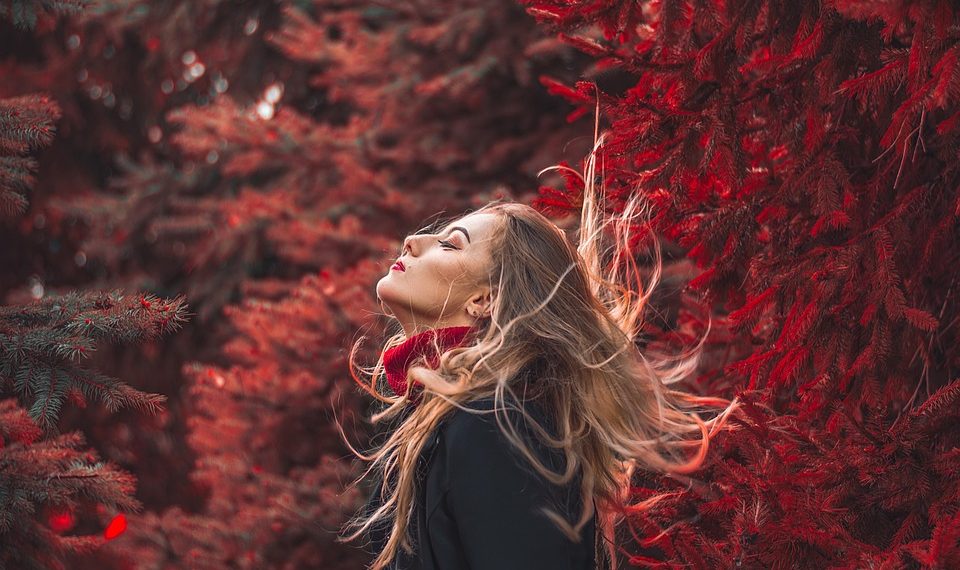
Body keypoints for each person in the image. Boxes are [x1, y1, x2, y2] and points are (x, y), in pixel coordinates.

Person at [335, 130, 741, 570]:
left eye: (450, 243)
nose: (413, 240)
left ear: (484, 300)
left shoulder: (498, 424)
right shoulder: (438, 420)